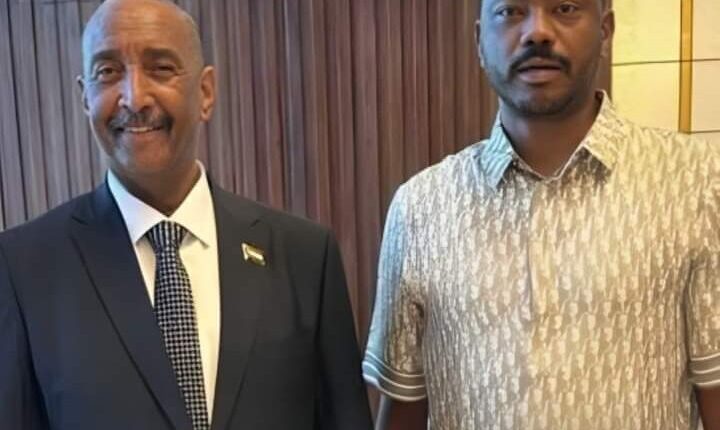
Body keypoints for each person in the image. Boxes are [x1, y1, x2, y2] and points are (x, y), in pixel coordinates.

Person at [0, 0, 372, 429]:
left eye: (160, 68)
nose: (134, 97)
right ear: (85, 96)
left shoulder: (305, 257)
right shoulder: (25, 268)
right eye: (108, 72)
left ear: (205, 92)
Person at [363, 0, 720, 428]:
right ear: (479, 41)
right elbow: (404, 407)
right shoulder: (420, 209)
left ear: (605, 31)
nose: (537, 32)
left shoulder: (694, 182)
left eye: (564, 8)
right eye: (511, 11)